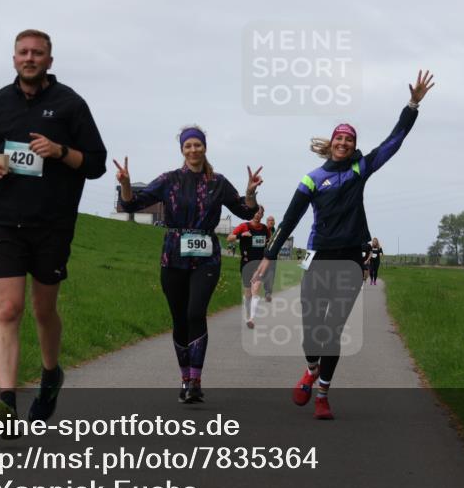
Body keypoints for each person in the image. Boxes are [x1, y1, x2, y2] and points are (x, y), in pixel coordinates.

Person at [255, 70, 434, 420]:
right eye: (339, 140)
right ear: (332, 143)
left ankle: (322, 394)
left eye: (349, 141)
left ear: (353, 146)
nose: (343, 144)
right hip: (318, 255)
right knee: (312, 325)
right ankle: (311, 368)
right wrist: (268, 256)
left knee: (333, 327)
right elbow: (289, 219)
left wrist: (412, 105)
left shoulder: (360, 170)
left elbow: (393, 142)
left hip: (352, 257)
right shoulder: (312, 179)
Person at [0, 29, 107, 430]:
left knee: (42, 309)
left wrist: (60, 151)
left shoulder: (70, 105)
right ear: (13, 59)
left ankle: (50, 375)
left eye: (38, 53)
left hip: (52, 224)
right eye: (23, 52)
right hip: (3, 222)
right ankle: (6, 403)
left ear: (49, 60)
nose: (29, 58)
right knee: (7, 309)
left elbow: (96, 164)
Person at [114, 127, 262, 403]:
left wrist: (250, 193)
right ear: (182, 150)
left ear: (205, 148)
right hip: (173, 257)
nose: (193, 150)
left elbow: (246, 211)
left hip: (206, 258)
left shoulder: (218, 183)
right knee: (179, 318)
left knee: (196, 313)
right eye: (188, 146)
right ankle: (184, 378)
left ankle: (196, 380)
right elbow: (132, 204)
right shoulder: (169, 180)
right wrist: (125, 183)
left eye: (198, 145)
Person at [227, 205, 271, 328]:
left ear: (262, 215)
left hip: (259, 264)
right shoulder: (244, 226)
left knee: (256, 290)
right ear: (252, 213)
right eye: (256, 213)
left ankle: (251, 319)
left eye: (260, 213)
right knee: (248, 293)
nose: (257, 215)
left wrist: (269, 246)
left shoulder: (265, 229)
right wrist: (241, 235)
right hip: (246, 263)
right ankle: (247, 315)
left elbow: (269, 241)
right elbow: (229, 238)